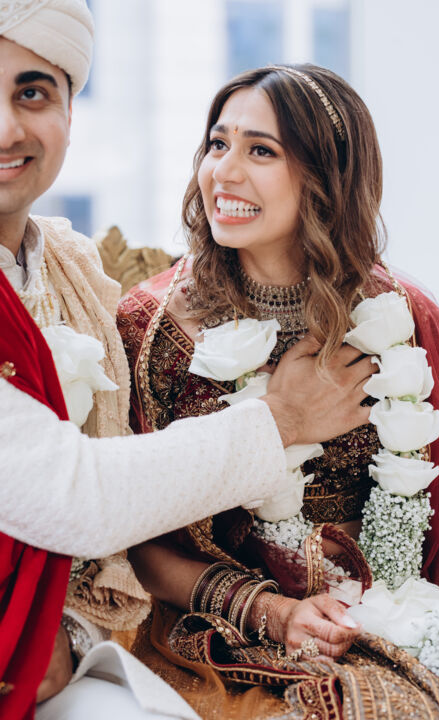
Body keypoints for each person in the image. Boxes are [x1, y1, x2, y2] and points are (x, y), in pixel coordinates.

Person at [0, 4, 375, 717]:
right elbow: (85, 499)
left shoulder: (73, 269)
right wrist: (283, 419)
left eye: (33, 92)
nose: (5, 129)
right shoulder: (152, 321)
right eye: (218, 144)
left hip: (76, 643)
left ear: (71, 111)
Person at [119, 64, 439, 718]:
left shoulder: (400, 317)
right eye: (218, 143)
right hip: (228, 632)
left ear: (327, 176)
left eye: (261, 151)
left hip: (393, 608)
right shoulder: (154, 331)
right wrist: (273, 612)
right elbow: (134, 538)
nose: (223, 172)